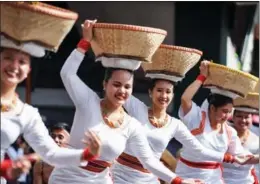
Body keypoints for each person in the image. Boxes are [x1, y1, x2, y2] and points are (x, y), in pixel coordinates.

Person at [49, 20, 203, 184]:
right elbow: (67, 74)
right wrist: (85, 42)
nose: (122, 91)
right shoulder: (88, 102)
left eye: (127, 87)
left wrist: (179, 181)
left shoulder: (131, 125)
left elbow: (149, 161)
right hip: (66, 178)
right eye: (116, 85)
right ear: (105, 84)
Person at [111, 45, 250, 184]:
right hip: (121, 176)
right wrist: (127, 60)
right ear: (150, 92)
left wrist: (232, 158)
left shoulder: (174, 125)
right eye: (159, 90)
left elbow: (199, 150)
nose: (163, 95)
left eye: (168, 92)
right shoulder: (138, 108)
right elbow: (120, 89)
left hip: (150, 179)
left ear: (172, 95)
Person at [0, 35, 102, 183]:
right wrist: (6, 168)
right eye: (8, 58)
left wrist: (87, 154)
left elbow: (51, 153)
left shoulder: (26, 114)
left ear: (28, 69)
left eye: (22, 62)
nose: (14, 66)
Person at [175, 60, 258, 184]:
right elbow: (185, 99)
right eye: (224, 111)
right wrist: (202, 76)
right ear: (213, 108)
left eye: (230, 112)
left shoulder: (229, 132)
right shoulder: (197, 118)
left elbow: (241, 157)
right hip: (187, 177)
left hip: (214, 179)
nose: (227, 116)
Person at [223, 92, 259, 184]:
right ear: (233, 117)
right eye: (239, 116)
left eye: (247, 117)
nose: (243, 120)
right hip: (220, 179)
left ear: (252, 119)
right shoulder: (223, 131)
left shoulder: (256, 140)